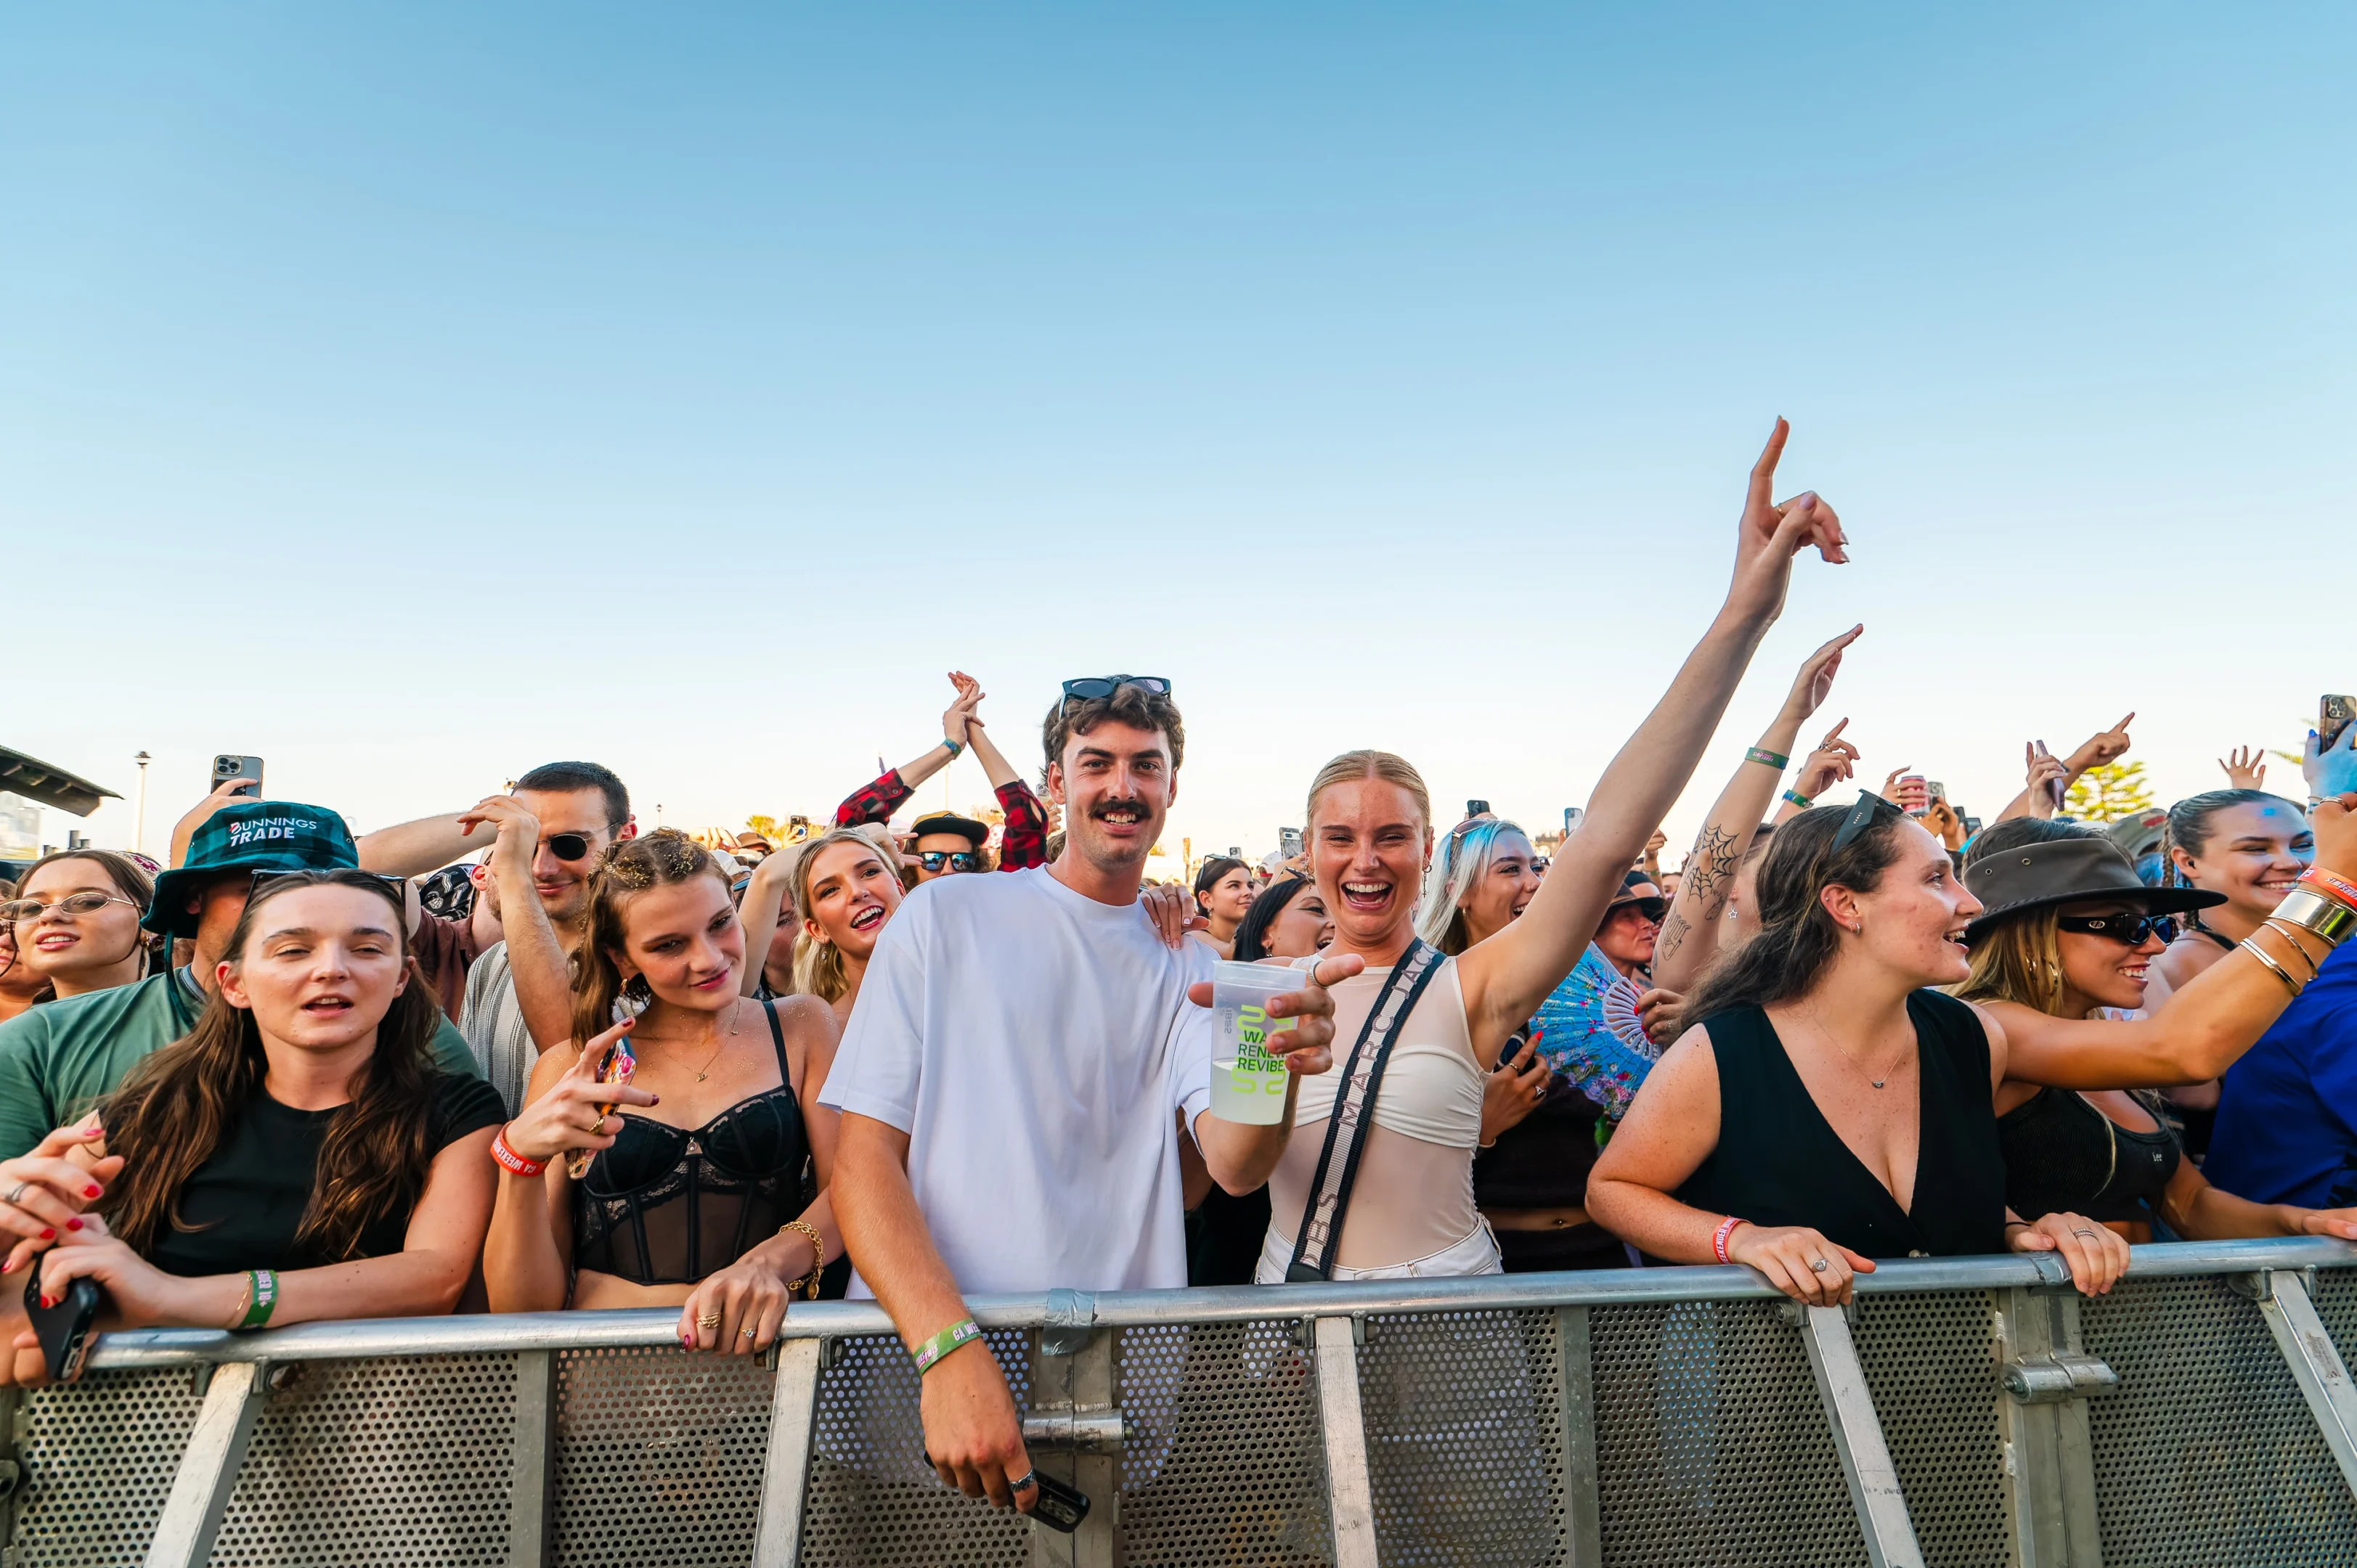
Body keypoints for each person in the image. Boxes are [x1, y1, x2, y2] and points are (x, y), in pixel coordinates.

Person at [1252, 420, 1851, 1288]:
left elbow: (1609, 834)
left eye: (1393, 837)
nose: (1366, 861)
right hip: (1294, 1329)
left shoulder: (1471, 986)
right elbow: (1230, 1176)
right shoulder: (1256, 997)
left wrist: (1742, 616)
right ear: (1307, 853)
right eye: (1340, 839)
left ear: (1426, 854)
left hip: (1454, 1327)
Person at [823, 674, 1355, 1516]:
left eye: (1146, 765)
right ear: (1055, 782)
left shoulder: (1197, 963)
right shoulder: (945, 917)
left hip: (1118, 1401)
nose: (1122, 786)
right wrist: (949, 1353)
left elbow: (1233, 1167)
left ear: (1172, 786)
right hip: (926, 1400)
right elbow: (862, 1164)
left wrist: (1276, 1058)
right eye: (1097, 762)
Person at [1584, 785, 2357, 1307]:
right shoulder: (1729, 1050)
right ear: (1845, 905)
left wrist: (2024, 1228)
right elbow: (1613, 1190)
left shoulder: (1967, 1038)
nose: (1970, 902)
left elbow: (1962, 1202)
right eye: (1939, 879)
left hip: (1964, 1383)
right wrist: (1739, 1239)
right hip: (1795, 1394)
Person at [2, 870, 503, 1384]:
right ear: (234, 983)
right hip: (149, 1430)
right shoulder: (150, 1109)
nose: (331, 969)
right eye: (292, 951)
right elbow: (22, 1274)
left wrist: (167, 1297)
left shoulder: (458, 1111)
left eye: (368, 949)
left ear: (402, 977)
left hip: (369, 1434)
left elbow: (432, 1277)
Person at [483, 830, 845, 1356]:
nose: (709, 959)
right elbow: (521, 1309)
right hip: (607, 1379)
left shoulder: (802, 1025)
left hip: (765, 1367)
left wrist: (766, 1263)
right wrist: (518, 1161)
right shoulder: (571, 1066)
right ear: (622, 958)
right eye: (669, 945)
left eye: (721, 924)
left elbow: (854, 1192)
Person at [0, 799, 482, 1161]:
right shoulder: (42, 1041)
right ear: (194, 899)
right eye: (258, 885)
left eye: (315, 887)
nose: (286, 908)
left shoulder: (410, 1028)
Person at [1956, 819, 2357, 1244]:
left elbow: (2189, 1204)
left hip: (2148, 1308)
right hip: (2044, 1310)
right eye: (2127, 926)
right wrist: (2331, 888)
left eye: (2158, 926)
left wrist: (2304, 1223)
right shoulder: (1988, 1024)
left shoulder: (2103, 1042)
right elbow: (2186, 1052)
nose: (2155, 946)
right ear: (2029, 935)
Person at [2196, 726, 2357, 1207]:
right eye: (2255, 848)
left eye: (2300, 845)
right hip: (2294, 1270)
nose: (2285, 863)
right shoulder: (2334, 996)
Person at [1653, 632, 1860, 992]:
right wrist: (1790, 719)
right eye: (1783, 870)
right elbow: (1718, 851)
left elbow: (1766, 850)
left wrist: (1801, 795)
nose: (1799, 879)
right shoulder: (1695, 979)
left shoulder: (1808, 967)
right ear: (1729, 885)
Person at [1186, 873, 1333, 1286]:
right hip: (1236, 1271)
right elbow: (1201, 1184)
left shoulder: (1365, 1019)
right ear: (1267, 933)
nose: (1334, 921)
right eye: (1315, 909)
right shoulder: (1231, 1013)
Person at [834, 671, 1049, 874]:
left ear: (977, 866)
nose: (948, 870)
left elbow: (1028, 821)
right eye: (932, 859)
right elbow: (855, 816)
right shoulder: (896, 910)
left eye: (961, 861)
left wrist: (972, 730)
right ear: (907, 864)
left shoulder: (993, 908)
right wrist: (950, 747)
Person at [1, 850, 155, 1006]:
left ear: (150, 921)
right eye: (32, 908)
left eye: (87, 902)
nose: (48, 916)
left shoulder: (176, 1024)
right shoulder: (23, 1029)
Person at [1189, 856, 1255, 959]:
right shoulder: (1194, 939)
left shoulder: (1247, 935)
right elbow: (1239, 954)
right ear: (1207, 899)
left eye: (1251, 886)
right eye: (1234, 886)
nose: (1248, 892)